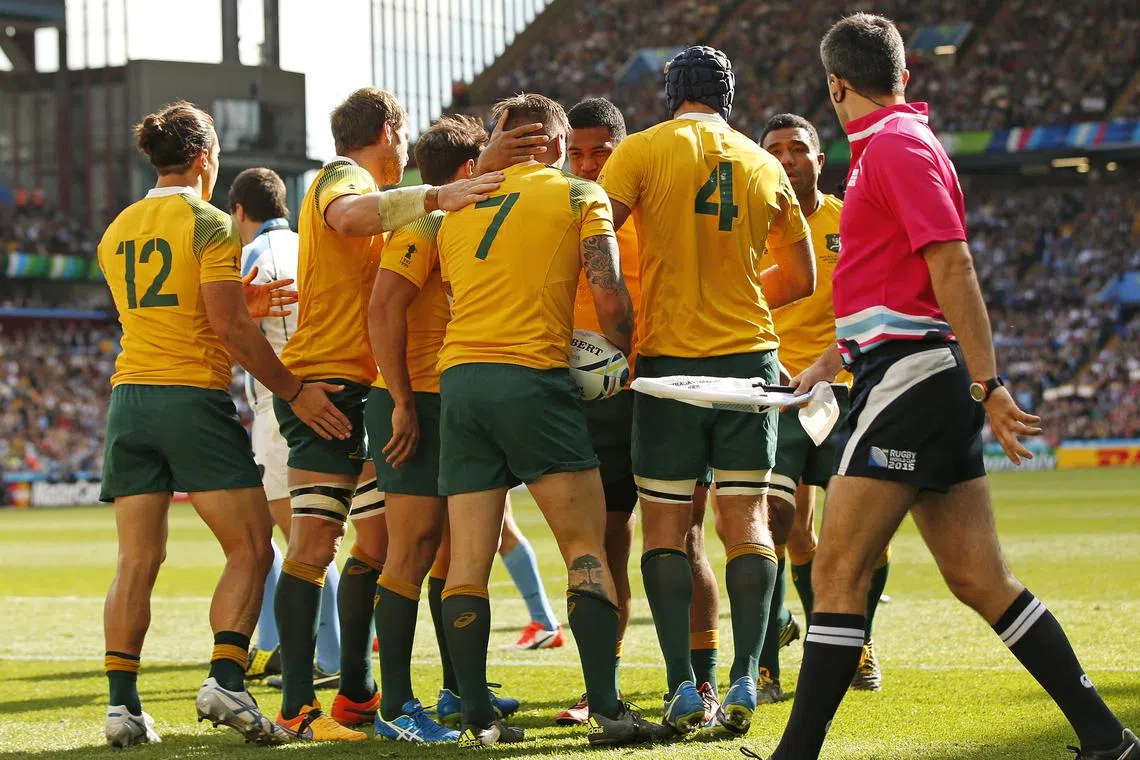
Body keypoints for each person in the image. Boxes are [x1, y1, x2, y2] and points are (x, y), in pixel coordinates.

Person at [763, 15, 1138, 760]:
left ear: (837, 85)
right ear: (902, 74)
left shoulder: (896, 148)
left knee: (837, 569)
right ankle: (1107, 737)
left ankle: (794, 756)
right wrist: (831, 361)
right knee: (978, 578)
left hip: (911, 378)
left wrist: (987, 381)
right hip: (905, 370)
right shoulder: (886, 150)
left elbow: (953, 267)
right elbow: (890, 289)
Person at [98, 101, 347, 748]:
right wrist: (295, 390)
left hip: (129, 400)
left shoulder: (117, 227)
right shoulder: (210, 223)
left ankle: (122, 708)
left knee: (136, 560)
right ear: (207, 157)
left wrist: (241, 299)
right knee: (251, 547)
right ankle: (226, 680)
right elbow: (229, 329)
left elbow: (165, 307)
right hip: (190, 397)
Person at [270, 87, 502, 742]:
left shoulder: (395, 215)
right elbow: (346, 217)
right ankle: (296, 707)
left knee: (383, 546)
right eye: (402, 138)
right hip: (329, 384)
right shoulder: (344, 175)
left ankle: (359, 697)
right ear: (390, 129)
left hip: (364, 384)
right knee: (317, 544)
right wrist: (436, 196)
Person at [437, 93, 666, 749]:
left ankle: (477, 719)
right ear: (559, 143)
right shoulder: (577, 198)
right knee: (585, 549)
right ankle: (608, 712)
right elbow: (608, 292)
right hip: (533, 379)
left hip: (461, 383)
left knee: (467, 563)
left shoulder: (454, 206)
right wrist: (627, 351)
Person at [598, 46, 815, 735]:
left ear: (670, 93)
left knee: (665, 528)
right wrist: (745, 297)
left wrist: (621, 325)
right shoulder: (764, 163)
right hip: (749, 358)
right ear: (728, 97)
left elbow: (597, 238)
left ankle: (683, 690)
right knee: (746, 525)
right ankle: (748, 678)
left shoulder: (637, 151)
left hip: (667, 362)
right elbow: (801, 275)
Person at [555, 96, 723, 728]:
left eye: (600, 151)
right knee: (604, 545)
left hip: (659, 389)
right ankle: (604, 684)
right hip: (590, 405)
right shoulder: (564, 214)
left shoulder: (650, 212)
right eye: (576, 152)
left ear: (622, 151)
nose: (588, 162)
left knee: (684, 539)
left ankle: (702, 683)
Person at [754, 113, 891, 701]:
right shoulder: (748, 231)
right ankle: (765, 667)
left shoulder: (850, 222)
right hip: (777, 392)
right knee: (775, 526)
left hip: (846, 389)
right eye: (775, 151)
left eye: (798, 148)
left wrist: (832, 364)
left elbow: (875, 302)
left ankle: (856, 642)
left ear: (819, 159)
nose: (787, 159)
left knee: (864, 534)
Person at [229, 168, 342, 690]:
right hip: (333, 391)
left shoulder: (254, 257)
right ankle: (314, 651)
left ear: (239, 213)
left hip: (285, 406)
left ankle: (332, 655)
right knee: (313, 534)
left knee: (303, 540)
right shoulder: (311, 244)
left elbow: (236, 332)